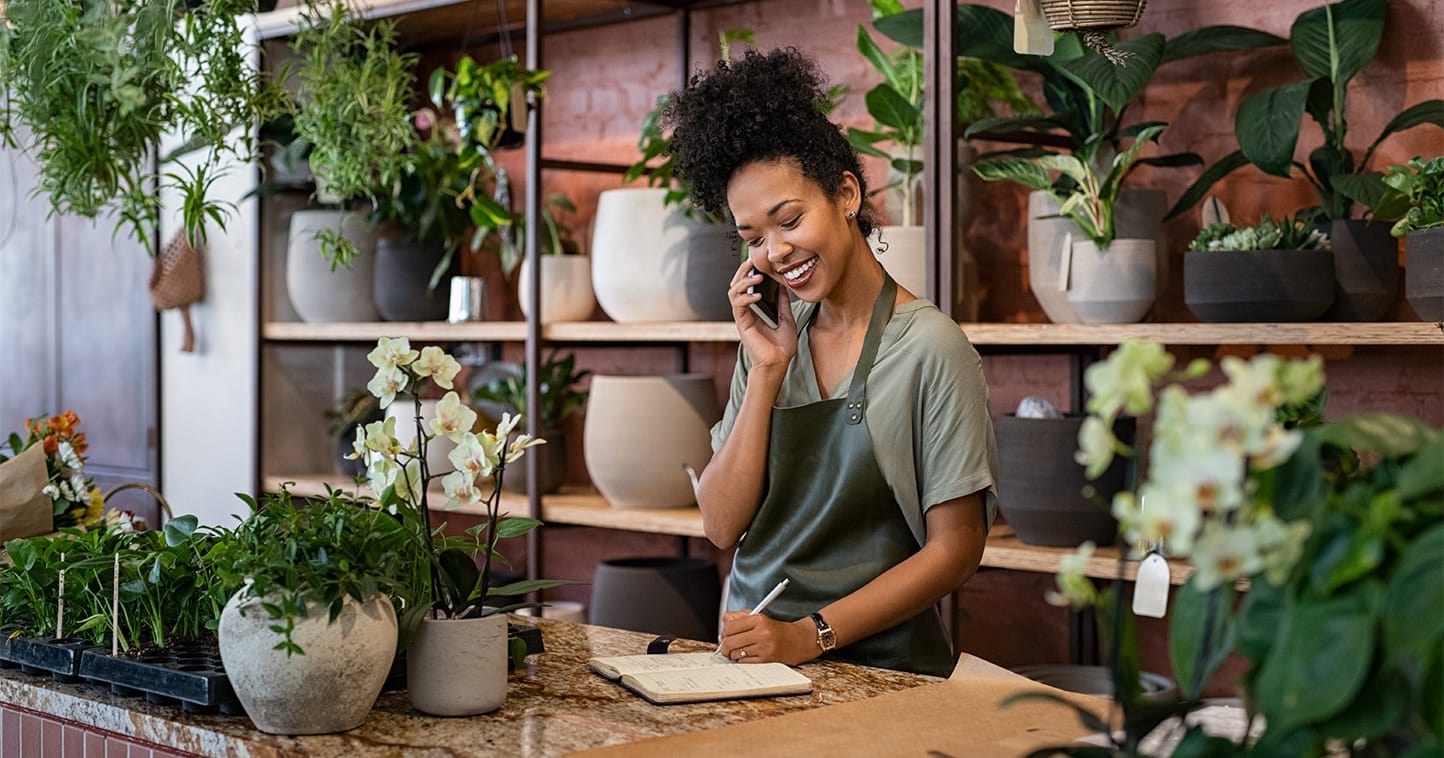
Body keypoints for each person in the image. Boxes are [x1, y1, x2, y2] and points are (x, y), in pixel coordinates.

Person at [666, 48, 999, 679]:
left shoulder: (931, 349)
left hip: (882, 671)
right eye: (753, 238)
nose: (775, 252)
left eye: (789, 220)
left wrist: (808, 635)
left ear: (846, 193)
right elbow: (719, 523)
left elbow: (956, 551)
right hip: (752, 664)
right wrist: (766, 370)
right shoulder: (769, 341)